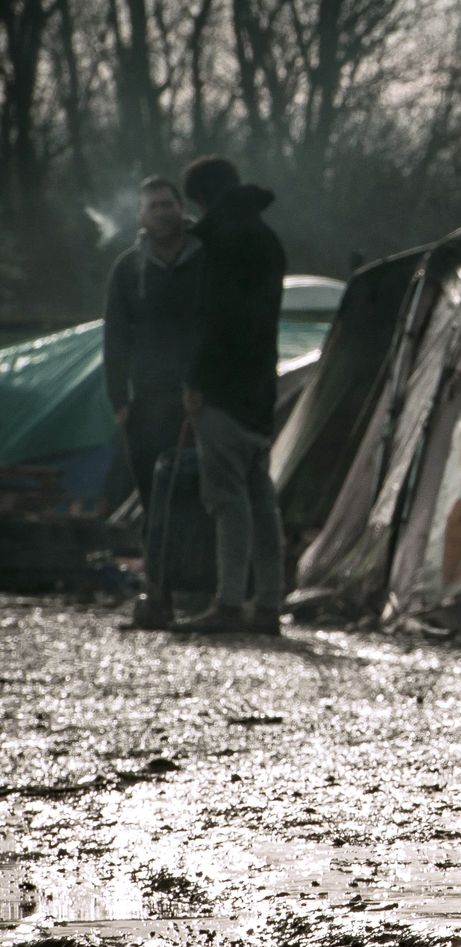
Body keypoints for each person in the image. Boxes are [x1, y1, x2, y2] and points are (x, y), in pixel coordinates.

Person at [172, 155, 287, 636]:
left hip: (222, 387)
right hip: (260, 387)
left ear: (202, 198)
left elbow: (213, 319)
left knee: (227, 499)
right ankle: (268, 605)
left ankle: (229, 602)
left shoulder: (220, 241)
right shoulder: (267, 238)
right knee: (260, 499)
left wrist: (195, 381)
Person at [102, 176, 204, 521]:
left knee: (204, 498)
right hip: (148, 402)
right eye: (153, 206)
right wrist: (119, 401)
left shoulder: (208, 258)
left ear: (181, 209)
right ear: (141, 216)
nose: (161, 213)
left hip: (206, 398)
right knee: (154, 498)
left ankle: (204, 573)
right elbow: (115, 337)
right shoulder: (128, 269)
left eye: (167, 205)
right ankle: (159, 572)